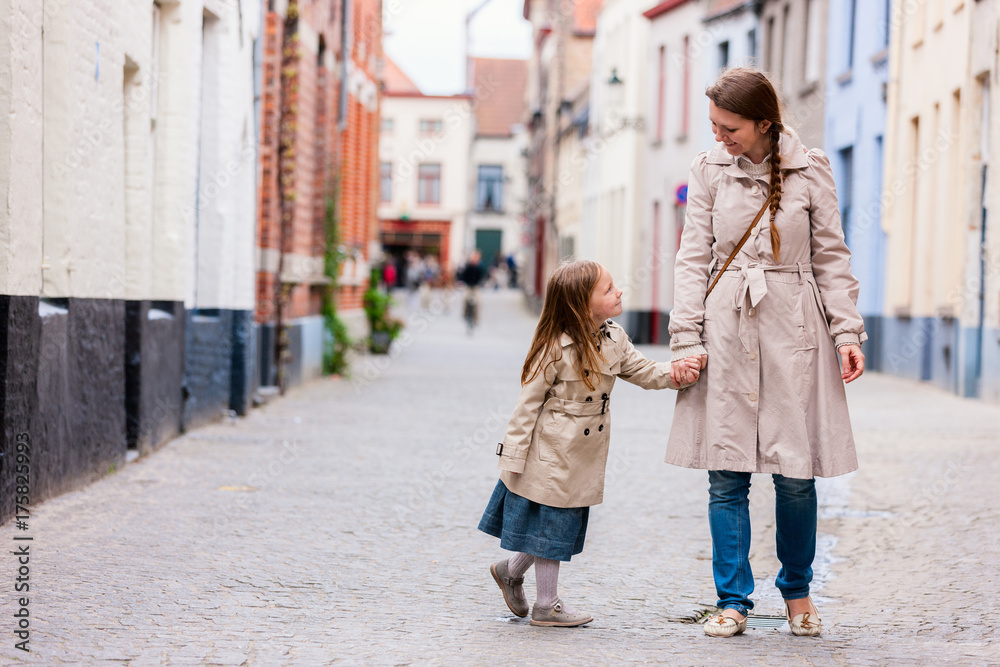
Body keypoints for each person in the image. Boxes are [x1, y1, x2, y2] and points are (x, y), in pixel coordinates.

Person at [666, 67, 866, 638]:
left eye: (728, 128)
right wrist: (687, 337)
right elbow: (691, 258)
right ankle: (732, 600)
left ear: (762, 123)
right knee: (725, 474)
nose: (720, 137)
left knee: (795, 474)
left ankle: (798, 593)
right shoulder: (708, 171)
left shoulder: (811, 170)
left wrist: (846, 332)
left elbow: (831, 257)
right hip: (726, 329)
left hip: (793, 332)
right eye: (714, 127)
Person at [478, 259, 704, 627]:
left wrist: (676, 373)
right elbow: (527, 405)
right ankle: (546, 605)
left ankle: (510, 571)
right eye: (609, 289)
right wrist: (514, 457)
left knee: (555, 525)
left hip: (582, 453)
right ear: (583, 304)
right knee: (552, 526)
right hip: (549, 451)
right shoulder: (554, 346)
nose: (619, 292)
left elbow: (643, 371)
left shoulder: (614, 337)